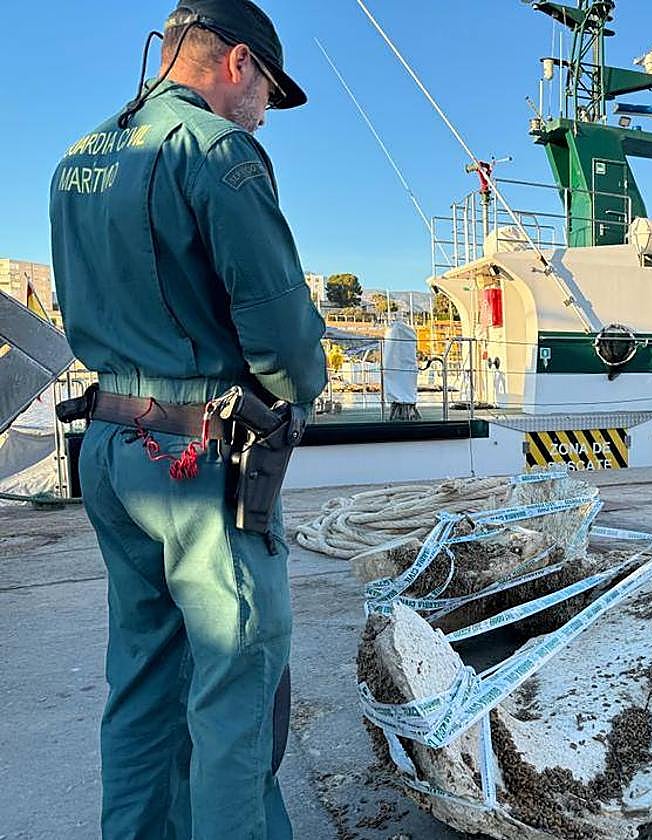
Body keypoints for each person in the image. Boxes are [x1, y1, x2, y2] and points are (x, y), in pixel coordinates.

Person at [49, 2, 326, 837]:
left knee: (141, 678)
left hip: (107, 444)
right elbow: (281, 335)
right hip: (196, 463)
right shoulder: (219, 152)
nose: (266, 109)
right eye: (270, 89)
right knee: (234, 691)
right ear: (237, 63)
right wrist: (296, 392)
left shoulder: (77, 157)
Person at [383, 319, 421, 420]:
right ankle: (405, 404)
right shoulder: (408, 334)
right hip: (404, 369)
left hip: (399, 368)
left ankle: (402, 405)